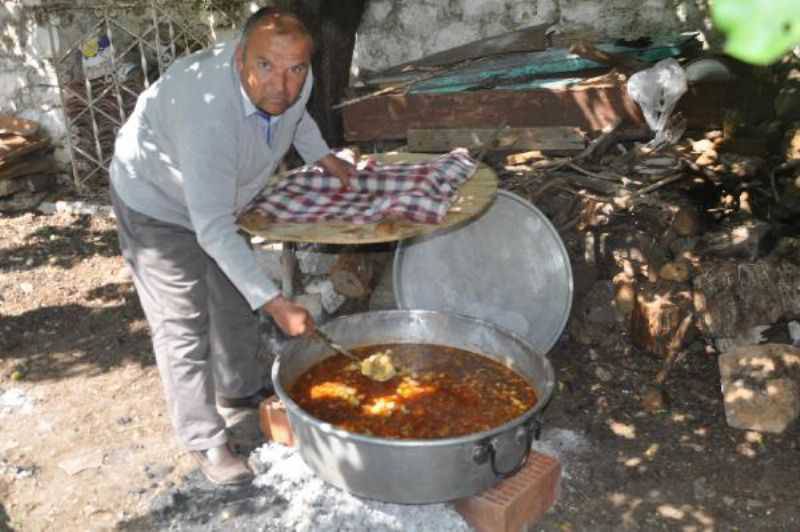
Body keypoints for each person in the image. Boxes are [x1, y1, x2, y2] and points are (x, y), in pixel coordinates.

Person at [109, 7, 356, 486]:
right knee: (182, 322)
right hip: (156, 202)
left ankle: (241, 390)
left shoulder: (292, 77)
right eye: (266, 66)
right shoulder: (208, 112)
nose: (280, 86)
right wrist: (278, 302)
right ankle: (205, 440)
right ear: (240, 56)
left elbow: (296, 115)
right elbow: (212, 229)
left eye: (294, 70)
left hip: (218, 201)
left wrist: (325, 158)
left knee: (234, 301)